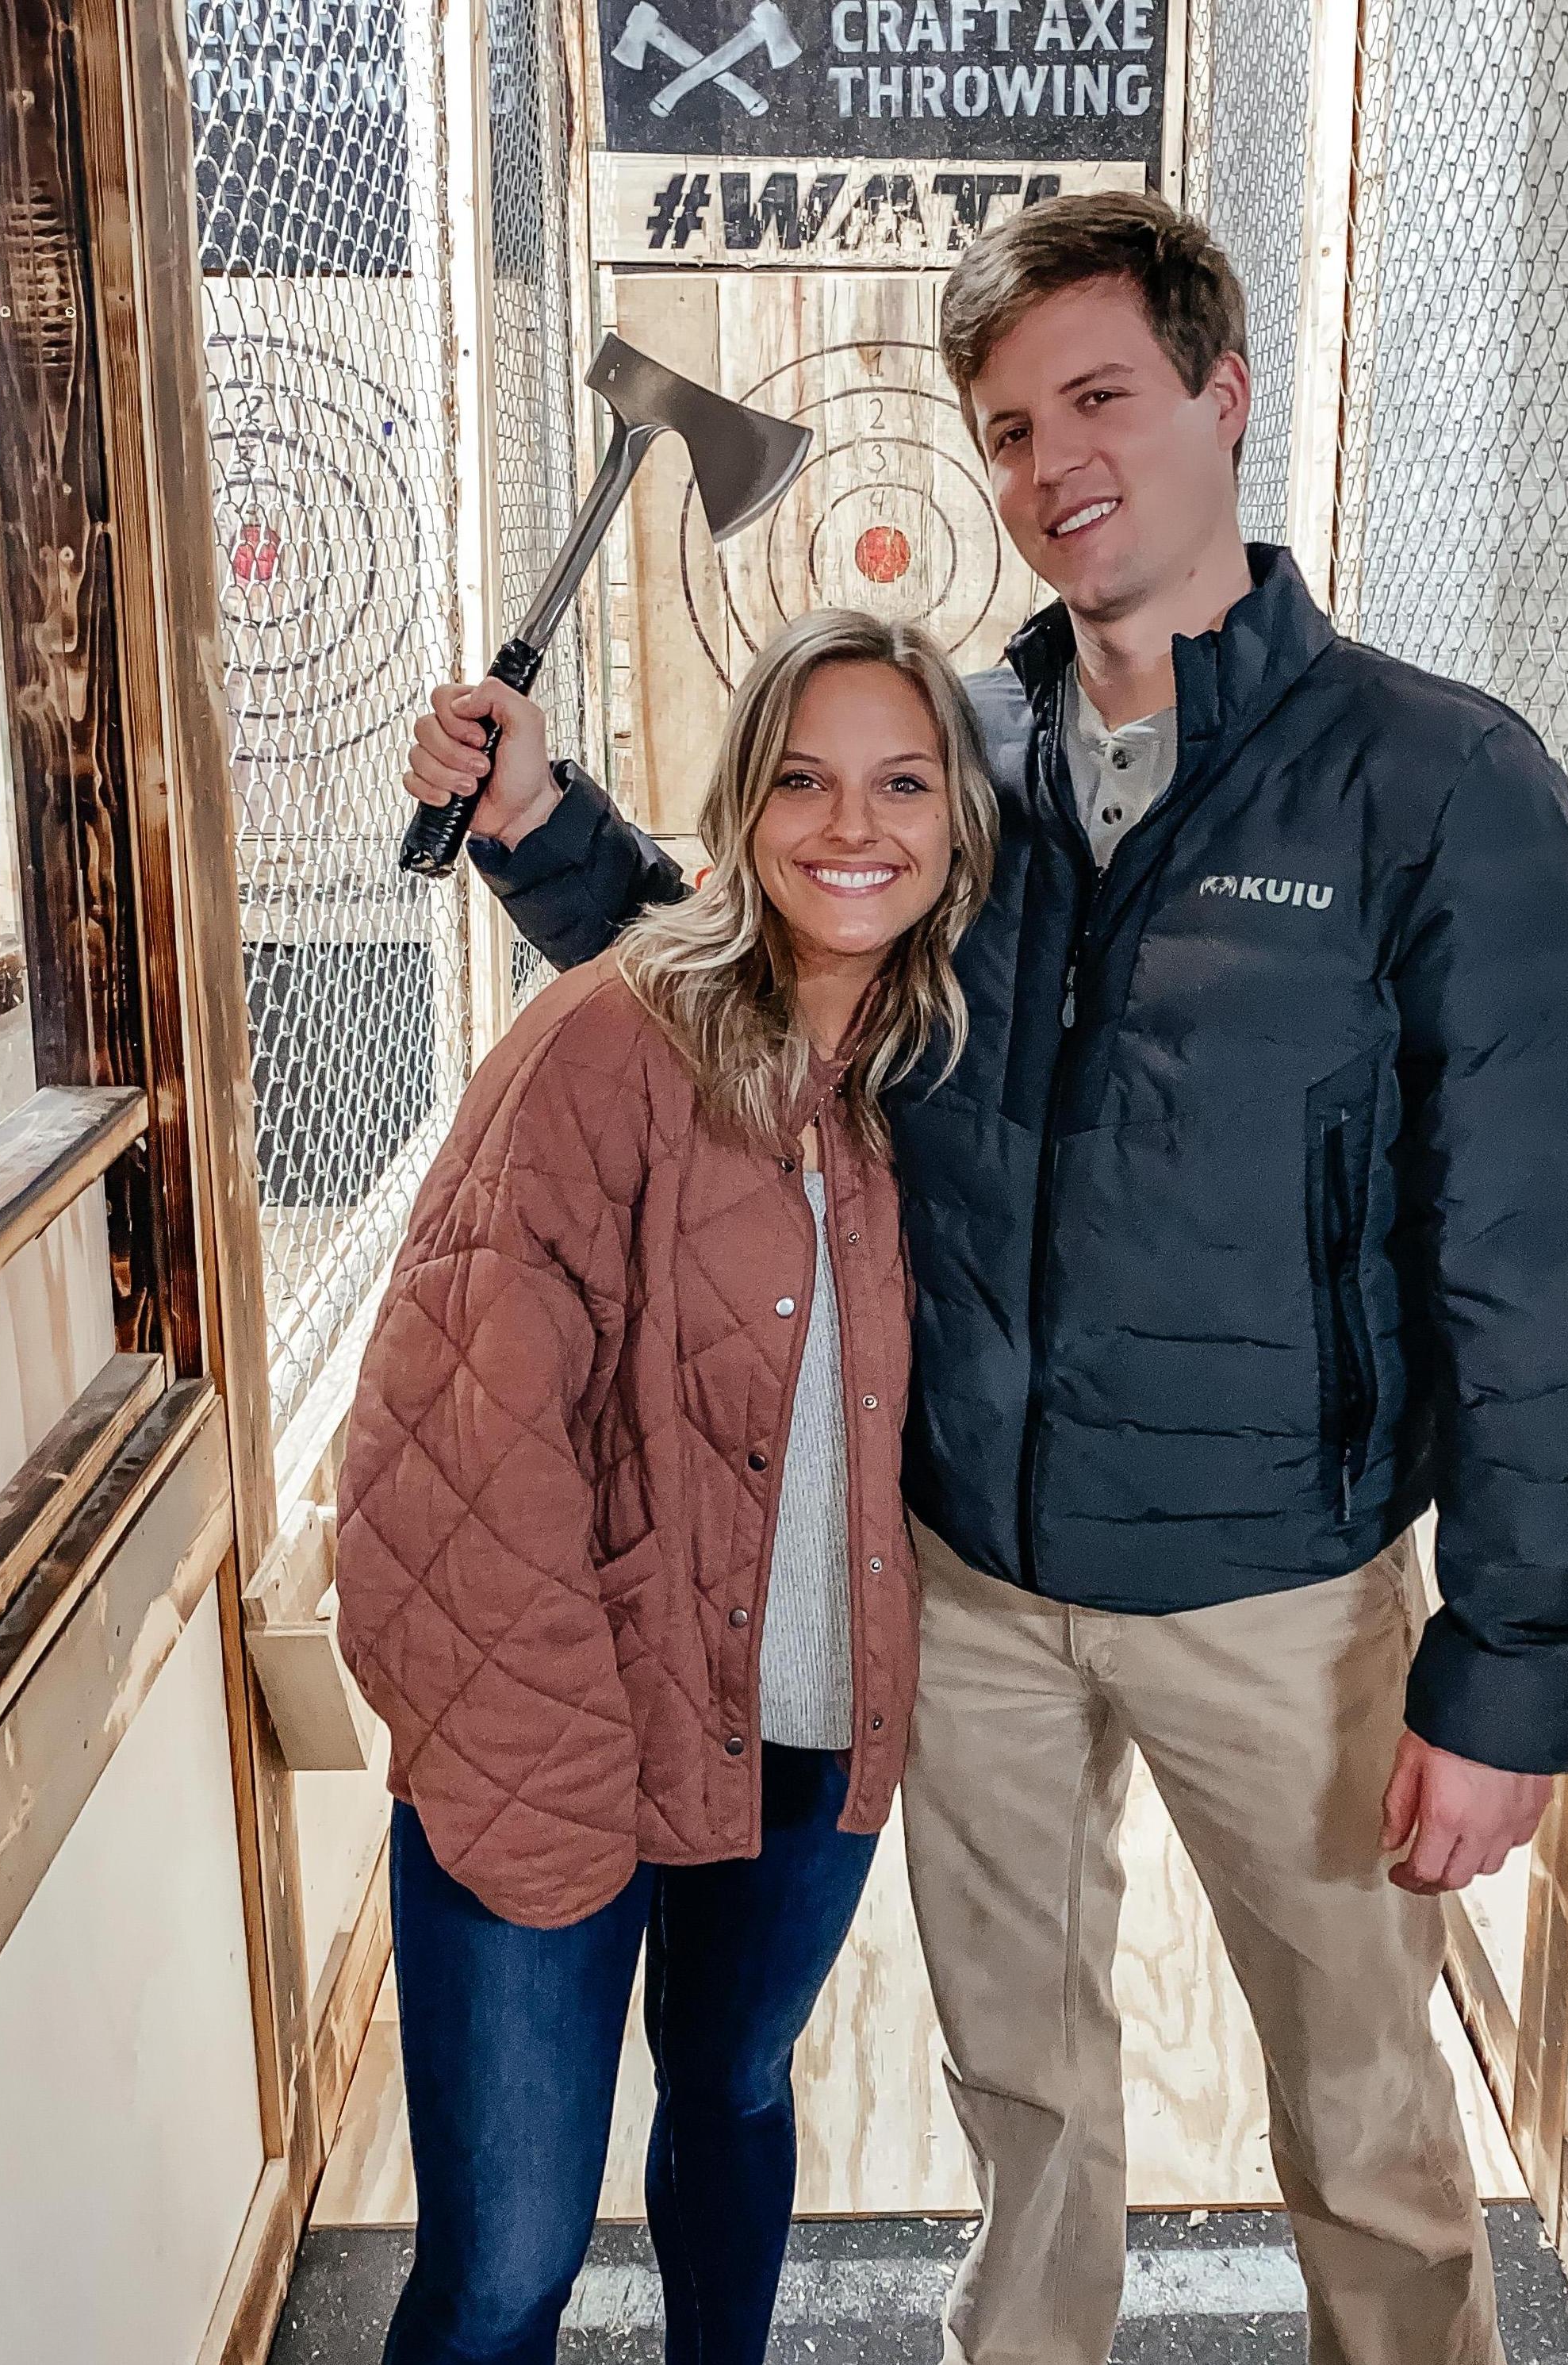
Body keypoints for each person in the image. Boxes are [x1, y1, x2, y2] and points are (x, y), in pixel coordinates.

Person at [405, 194, 1568, 2365]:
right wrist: (542, 829)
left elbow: (1530, 1260)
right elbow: (771, 958)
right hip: (960, 1578)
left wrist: (1511, 1659)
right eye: (1005, 425)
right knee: (1025, 2093)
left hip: (1284, 1598)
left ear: (1218, 396)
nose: (1055, 460)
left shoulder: (1432, 781)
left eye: (1096, 398)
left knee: (1359, 2118)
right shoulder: (958, 757)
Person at [336, 608, 998, 2365]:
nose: (853, 827)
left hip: (802, 1740)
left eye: (902, 784)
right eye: (803, 780)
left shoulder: (938, 1073)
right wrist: (542, 1799)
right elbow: (448, 1458)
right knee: (505, 2270)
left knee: (731, 2083)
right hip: (557, 1738)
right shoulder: (602, 1050)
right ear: (739, 811)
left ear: (960, 827)